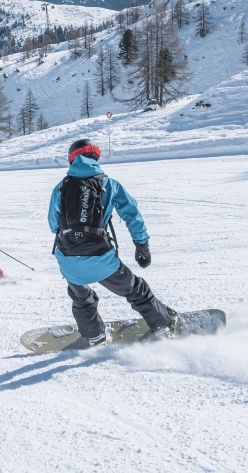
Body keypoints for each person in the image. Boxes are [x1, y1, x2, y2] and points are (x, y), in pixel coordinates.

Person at [48, 140, 178, 348]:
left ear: (72, 158)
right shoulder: (109, 184)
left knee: (81, 297)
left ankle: (94, 336)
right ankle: (162, 326)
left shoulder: (61, 187)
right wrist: (141, 246)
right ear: (96, 158)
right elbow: (132, 216)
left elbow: (54, 224)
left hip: (68, 258)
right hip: (102, 258)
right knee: (137, 290)